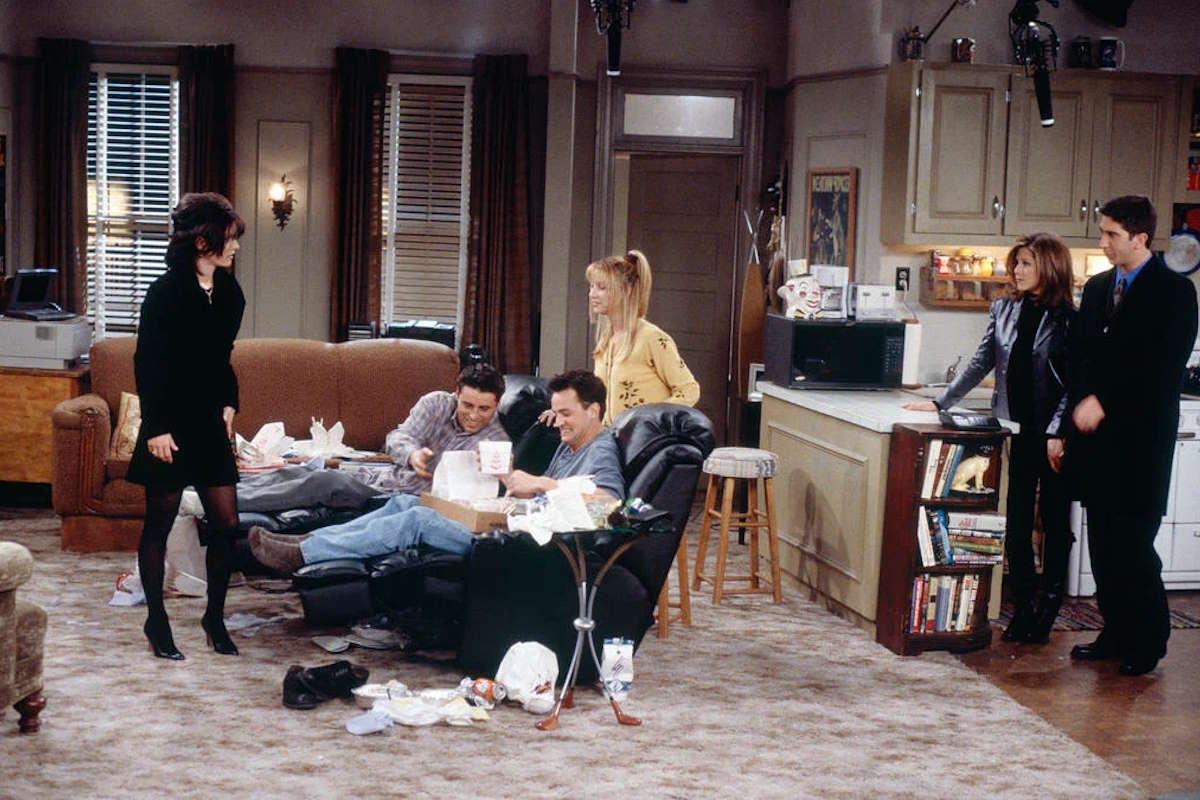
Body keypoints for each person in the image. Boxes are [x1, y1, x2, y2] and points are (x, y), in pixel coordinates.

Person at [249, 370, 625, 572]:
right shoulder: (568, 445)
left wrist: (541, 483)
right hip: (514, 529)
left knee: (418, 520)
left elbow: (610, 505)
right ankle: (305, 543)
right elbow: (545, 493)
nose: (558, 421)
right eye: (555, 412)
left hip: (522, 548)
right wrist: (512, 479)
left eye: (566, 413)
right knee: (407, 506)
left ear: (594, 411)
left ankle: (304, 555)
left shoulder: (601, 449)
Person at [903, 232, 1075, 643]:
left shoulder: (1069, 318)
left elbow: (1074, 383)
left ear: (1049, 267)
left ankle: (1048, 609)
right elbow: (982, 360)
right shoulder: (1004, 309)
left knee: (1054, 523)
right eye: (1016, 263)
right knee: (1016, 523)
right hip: (1013, 429)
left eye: (1026, 264)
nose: (1017, 271)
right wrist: (940, 401)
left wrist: (1058, 431)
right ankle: (1024, 607)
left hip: (1052, 434)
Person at [1066, 195, 1198, 676]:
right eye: (1103, 232)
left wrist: (1105, 401)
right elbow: (1081, 358)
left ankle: (1149, 641)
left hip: (1141, 443)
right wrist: (1075, 415)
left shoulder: (1174, 292)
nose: (1103, 242)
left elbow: (1163, 368)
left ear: (1140, 238)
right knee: (1102, 545)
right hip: (1097, 441)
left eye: (1112, 234)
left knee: (1134, 545)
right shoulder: (1099, 288)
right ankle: (1116, 633)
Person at [126, 192, 246, 660]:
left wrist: (230, 401)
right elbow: (147, 362)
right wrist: (156, 427)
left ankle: (214, 617)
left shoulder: (231, 293)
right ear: (201, 241)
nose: (235, 246)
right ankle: (157, 622)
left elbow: (221, 359)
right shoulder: (165, 292)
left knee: (227, 524)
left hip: (208, 423)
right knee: (158, 525)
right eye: (229, 238)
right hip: (169, 425)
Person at [586, 250, 699, 424]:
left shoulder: (651, 338)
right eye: (592, 286)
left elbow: (689, 390)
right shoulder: (606, 341)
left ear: (627, 290)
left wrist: (650, 420)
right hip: (612, 436)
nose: (592, 294)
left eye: (601, 288)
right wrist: (562, 412)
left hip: (645, 436)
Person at [383, 363, 509, 495]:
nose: (473, 416)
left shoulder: (498, 441)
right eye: (467, 405)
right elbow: (397, 437)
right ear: (457, 394)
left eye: (484, 409)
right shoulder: (435, 404)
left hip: (427, 501)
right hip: (387, 484)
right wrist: (413, 455)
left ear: (497, 405)